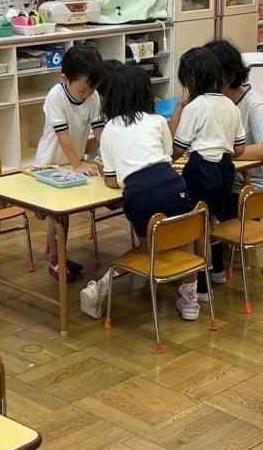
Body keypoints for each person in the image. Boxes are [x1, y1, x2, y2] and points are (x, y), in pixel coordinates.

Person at [81, 62, 194, 320]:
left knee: (146, 247)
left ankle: (102, 285)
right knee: (184, 240)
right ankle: (190, 302)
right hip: (173, 185)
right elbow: (167, 157)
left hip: (140, 194)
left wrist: (109, 171)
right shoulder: (157, 120)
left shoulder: (110, 129)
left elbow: (112, 182)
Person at [170, 47, 246, 318]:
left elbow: (178, 148)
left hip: (200, 170)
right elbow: (239, 148)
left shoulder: (196, 106)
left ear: (191, 80)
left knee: (197, 230)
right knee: (211, 221)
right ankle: (216, 273)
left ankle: (200, 288)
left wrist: (165, 162)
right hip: (225, 171)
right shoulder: (230, 106)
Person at [201, 38, 263, 288]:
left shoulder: (252, 102)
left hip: (256, 188)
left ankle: (209, 267)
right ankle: (203, 261)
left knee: (204, 202)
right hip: (231, 181)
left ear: (228, 78)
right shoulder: (212, 101)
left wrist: (230, 152)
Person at [33, 44, 106, 282]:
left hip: (73, 163)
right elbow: (62, 135)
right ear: (65, 79)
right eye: (83, 89)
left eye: (92, 89)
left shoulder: (92, 97)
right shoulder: (56, 96)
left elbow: (100, 131)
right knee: (59, 215)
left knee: (63, 213)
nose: (87, 95)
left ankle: (59, 255)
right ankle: (56, 260)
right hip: (51, 163)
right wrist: (78, 165)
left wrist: (109, 156)